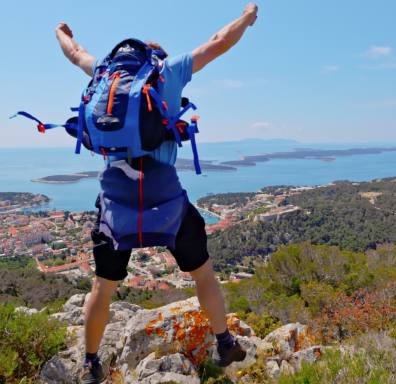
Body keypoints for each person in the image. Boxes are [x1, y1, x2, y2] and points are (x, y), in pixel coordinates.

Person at [54, 3, 258, 383]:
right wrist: (246, 17)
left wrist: (61, 32)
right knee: (204, 274)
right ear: (156, 58)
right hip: (167, 200)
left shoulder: (104, 73)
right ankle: (224, 341)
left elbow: (75, 53)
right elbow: (219, 41)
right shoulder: (170, 70)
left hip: (117, 203)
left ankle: (90, 362)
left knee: (102, 286)